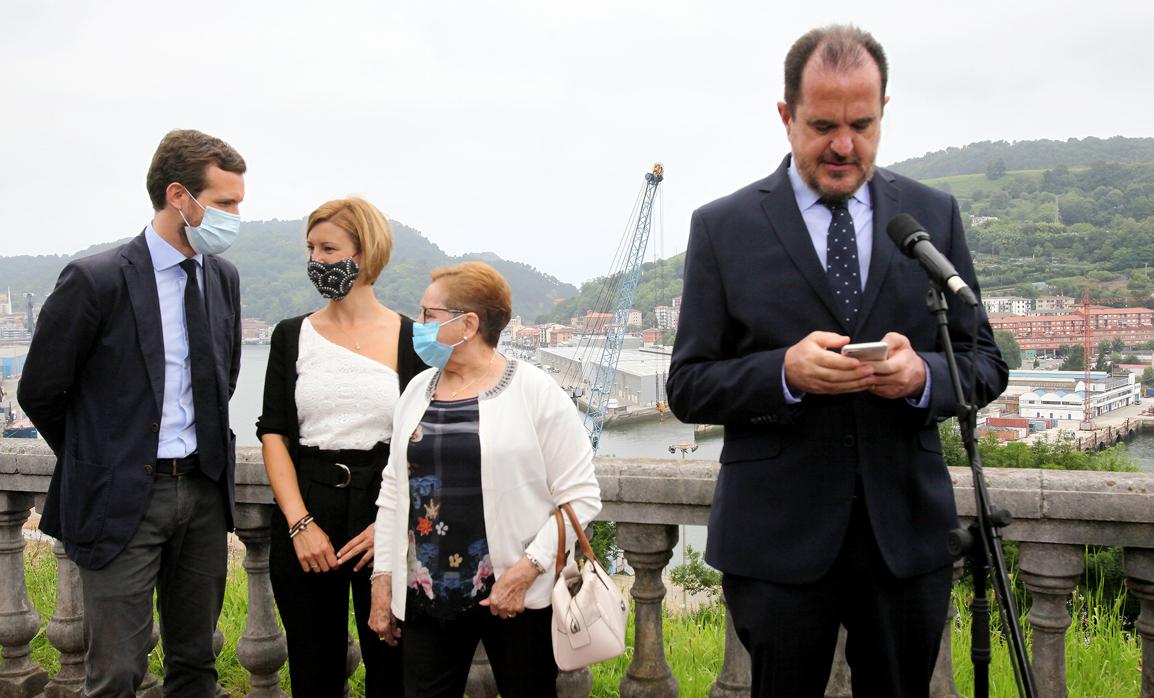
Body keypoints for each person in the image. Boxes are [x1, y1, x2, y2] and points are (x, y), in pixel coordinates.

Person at [666, 25, 1008, 698]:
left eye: (863, 124)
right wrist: (783, 374)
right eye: (823, 125)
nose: (845, 145)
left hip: (906, 535)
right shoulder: (722, 227)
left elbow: (983, 361)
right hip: (776, 541)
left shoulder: (932, 215)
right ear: (786, 116)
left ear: (884, 113)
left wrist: (921, 378)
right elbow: (687, 384)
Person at [18, 129, 246, 695]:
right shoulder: (97, 279)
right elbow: (41, 390)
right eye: (225, 203)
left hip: (201, 491)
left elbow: (224, 375)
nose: (237, 216)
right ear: (179, 196)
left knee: (196, 664)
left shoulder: (223, 279)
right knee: (117, 670)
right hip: (122, 500)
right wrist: (104, 457)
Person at [367, 261, 601, 698]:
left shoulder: (534, 390)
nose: (417, 325)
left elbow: (582, 498)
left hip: (515, 597)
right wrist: (383, 582)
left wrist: (526, 571)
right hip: (426, 595)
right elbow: (394, 493)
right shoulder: (417, 391)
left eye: (427, 315)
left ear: (468, 324)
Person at [255, 197, 425, 696]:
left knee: (392, 668)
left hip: (384, 504)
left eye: (329, 248)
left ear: (366, 254)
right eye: (311, 248)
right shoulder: (291, 335)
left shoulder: (412, 339)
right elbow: (274, 433)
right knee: (313, 670)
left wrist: (390, 527)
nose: (317, 261)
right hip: (309, 502)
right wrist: (300, 524)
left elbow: (423, 439)